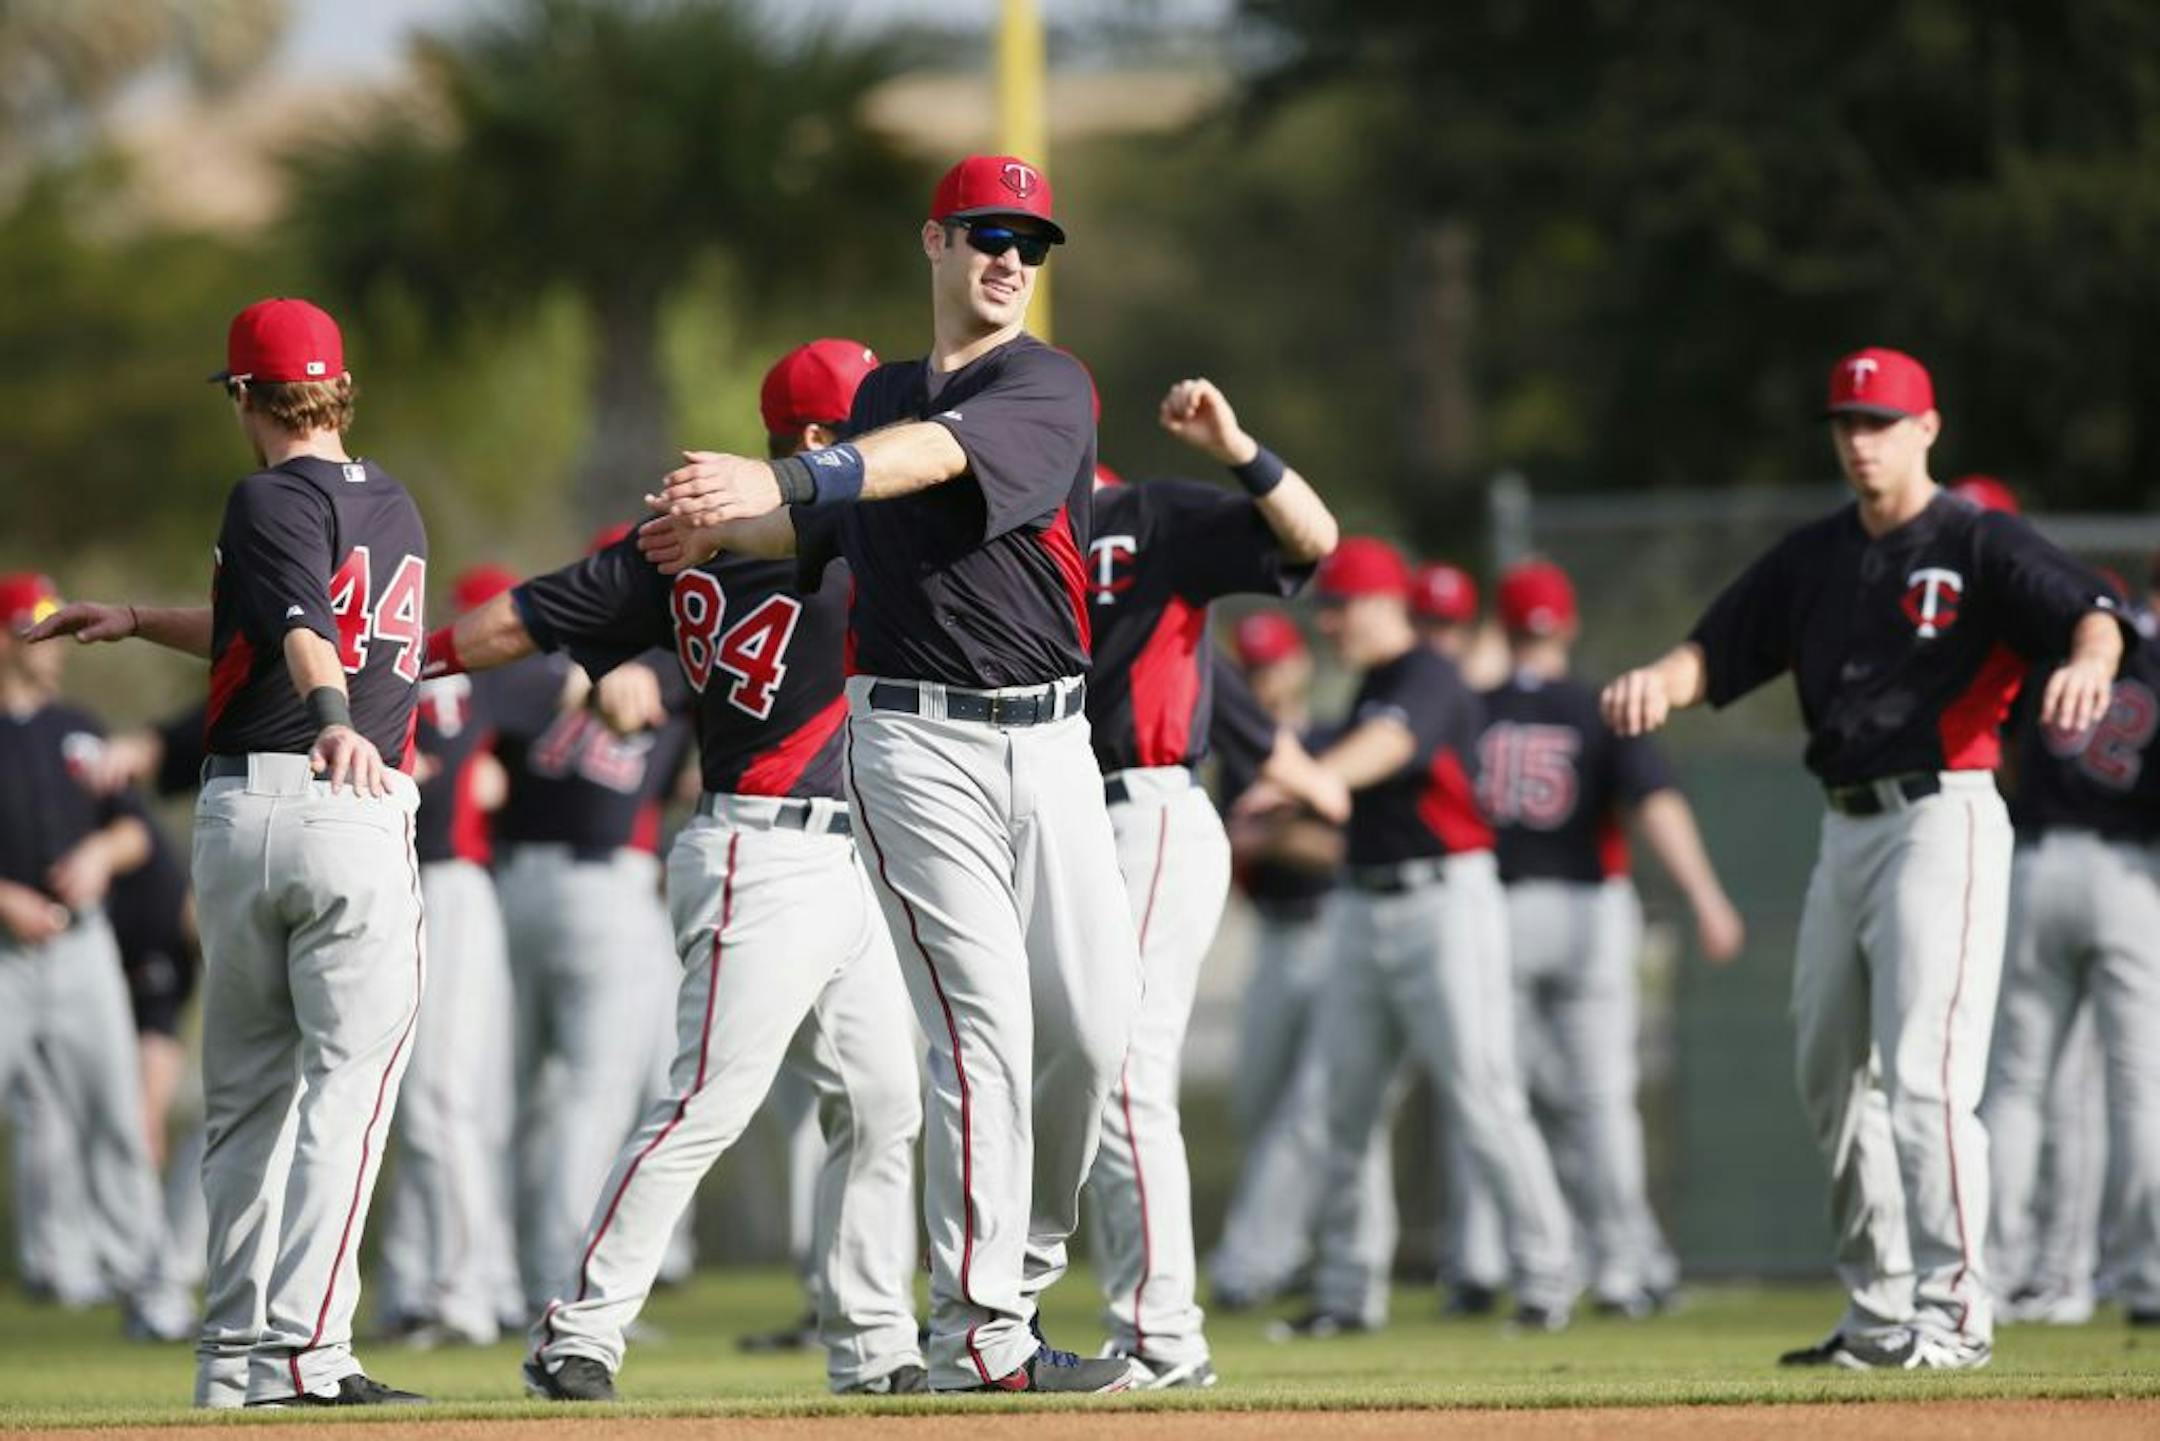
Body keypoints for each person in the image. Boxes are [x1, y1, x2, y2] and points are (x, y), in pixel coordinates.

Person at [638, 154, 1146, 1395]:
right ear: (935, 241)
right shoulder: (880, 399)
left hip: (1055, 738)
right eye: (986, 232)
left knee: (1091, 1031)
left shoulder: (1046, 383)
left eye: (1030, 239)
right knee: (979, 1029)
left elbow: (926, 460)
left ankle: (1010, 1282)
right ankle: (978, 1334)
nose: (1011, 257)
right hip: (914, 741)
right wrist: (718, 527)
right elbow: (819, 527)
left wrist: (788, 474)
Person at [1599, 345, 2126, 1370]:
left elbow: (2089, 613)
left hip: (1945, 816)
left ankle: (1958, 1310)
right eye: (1847, 421)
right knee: (1828, 1071)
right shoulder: (1815, 556)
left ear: (1927, 431)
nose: (1860, 439)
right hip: (1845, 827)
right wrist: (1657, 682)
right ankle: (1882, 1310)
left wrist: (2093, 660)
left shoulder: (1978, 540)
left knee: (1926, 1075)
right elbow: (1717, 648)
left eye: (1881, 421)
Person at [434, 338, 928, 1400]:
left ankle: (877, 1342)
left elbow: (529, 613)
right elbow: (531, 613)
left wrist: (424, 656)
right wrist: (400, 668)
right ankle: (578, 1329)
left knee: (885, 1100)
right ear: (808, 439)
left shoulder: (682, 546)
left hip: (844, 856)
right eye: (859, 422)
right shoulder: (830, 530)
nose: (875, 443)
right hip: (764, 845)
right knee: (706, 1099)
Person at [33, 297, 432, 1405]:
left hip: (246, 810)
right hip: (347, 807)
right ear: (338, 387)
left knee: (248, 1099)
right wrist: (140, 616)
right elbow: (293, 621)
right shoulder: (394, 504)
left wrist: (328, 707)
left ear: (247, 396)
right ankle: (308, 1354)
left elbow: (298, 625)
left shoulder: (264, 495)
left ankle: (237, 1364)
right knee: (344, 1091)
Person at [1077, 380, 1342, 1387]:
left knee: (1124, 1071)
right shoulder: (999, 538)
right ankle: (1029, 1318)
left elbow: (1311, 541)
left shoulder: (1145, 515)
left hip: (1142, 806)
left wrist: (1236, 444)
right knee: (1055, 1073)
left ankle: (1161, 1335)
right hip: (1056, 820)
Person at [1257, 537, 1579, 1337]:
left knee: (1482, 1093)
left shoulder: (1429, 670)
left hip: (1447, 899)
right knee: (1342, 1105)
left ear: (1384, 603)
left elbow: (1392, 746)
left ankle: (1546, 1279)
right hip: (1364, 905)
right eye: (1325, 606)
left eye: (1341, 605)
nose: (1328, 622)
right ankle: (1346, 1290)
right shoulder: (1372, 682)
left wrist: (1315, 776)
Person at [1475, 558, 1744, 1317]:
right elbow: (1654, 803)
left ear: (1501, 625)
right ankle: (1628, 1266)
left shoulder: (1475, 706)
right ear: (1566, 623)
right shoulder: (1597, 704)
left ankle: (1567, 1255)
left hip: (1496, 913)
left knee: (1526, 1102)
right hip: (1589, 910)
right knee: (1600, 1101)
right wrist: (1707, 897)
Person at [481, 543, 695, 1323]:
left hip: (509, 886)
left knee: (509, 1093)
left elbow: (472, 707)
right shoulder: (677, 658)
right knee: (590, 1097)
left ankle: (488, 1280)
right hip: (604, 888)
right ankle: (561, 1290)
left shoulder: (535, 660)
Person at [0, 573, 176, 1337]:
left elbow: (137, 830)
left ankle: (154, 1292)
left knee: (115, 1116)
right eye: (39, 628)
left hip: (80, 949)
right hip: (4, 954)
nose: (56, 644)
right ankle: (66, 1266)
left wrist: (102, 853)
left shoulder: (79, 727)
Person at [1983, 599, 2160, 1330]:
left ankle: (1988, 1275)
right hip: (2127, 871)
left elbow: (2006, 755)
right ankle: (2146, 1278)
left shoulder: (2070, 640)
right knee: (2136, 1085)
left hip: (2038, 860)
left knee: (2017, 1083)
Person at [1208, 615, 1392, 1312]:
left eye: (1271, 664)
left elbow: (1339, 849)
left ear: (1298, 667)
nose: (1262, 678)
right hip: (1274, 938)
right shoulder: (1238, 754)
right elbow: (1233, 851)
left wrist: (1272, 832)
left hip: (1336, 930)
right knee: (1260, 1103)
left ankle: (1262, 1261)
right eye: (1250, 667)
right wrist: (1281, 832)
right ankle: (1291, 1254)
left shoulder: (1328, 741)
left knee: (1319, 1110)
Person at [370, 563, 521, 1348]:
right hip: (424, 885)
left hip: (450, 887)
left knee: (440, 1101)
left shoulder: (425, 673)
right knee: (433, 1102)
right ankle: (436, 1281)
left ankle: (465, 1289)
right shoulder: (459, 674)